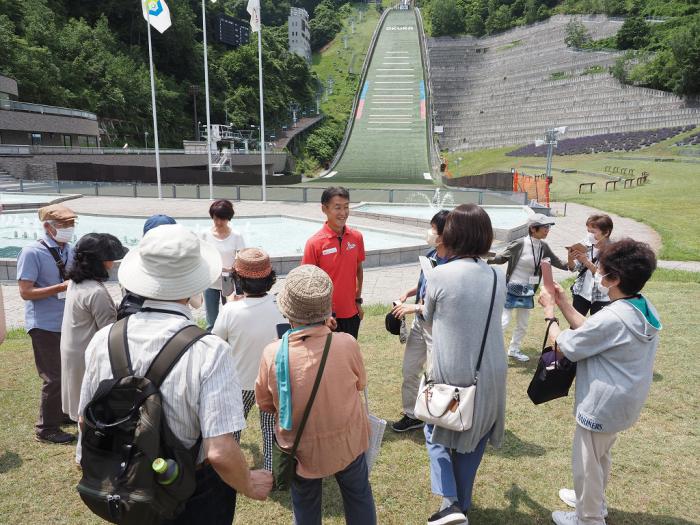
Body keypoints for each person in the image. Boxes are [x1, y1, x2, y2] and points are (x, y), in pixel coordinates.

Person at [78, 224, 272, 523]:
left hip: (126, 481)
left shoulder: (104, 339)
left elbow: (85, 419)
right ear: (192, 283)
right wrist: (248, 483)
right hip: (193, 490)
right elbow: (219, 451)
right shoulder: (209, 350)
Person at [539, 239, 661, 525]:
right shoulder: (638, 306)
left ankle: (589, 518)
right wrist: (564, 303)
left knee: (586, 464)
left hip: (602, 404)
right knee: (599, 457)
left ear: (614, 279)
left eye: (602, 271)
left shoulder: (614, 317)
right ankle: (593, 501)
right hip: (624, 399)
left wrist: (549, 313)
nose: (597, 274)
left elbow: (567, 345)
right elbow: (592, 329)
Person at [256, 265, 376, 525]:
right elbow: (360, 384)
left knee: (306, 505)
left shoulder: (273, 353)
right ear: (327, 308)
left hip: (300, 448)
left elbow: (265, 404)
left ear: (287, 310)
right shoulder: (347, 343)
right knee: (359, 496)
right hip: (348, 441)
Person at [419, 204, 507, 525]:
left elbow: (427, 316)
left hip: (452, 367)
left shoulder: (439, 274)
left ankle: (451, 502)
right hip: (491, 370)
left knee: (437, 430)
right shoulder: (498, 275)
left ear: (453, 234)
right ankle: (460, 507)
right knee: (473, 439)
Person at [212, 248, 284, 472]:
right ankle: (271, 470)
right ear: (270, 278)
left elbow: (215, 341)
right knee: (270, 427)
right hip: (272, 381)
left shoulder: (230, 310)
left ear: (238, 279)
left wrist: (231, 303)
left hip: (240, 382)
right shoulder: (281, 306)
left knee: (234, 426)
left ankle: (232, 469)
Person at [17, 203, 77, 444]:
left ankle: (61, 414)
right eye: (64, 225)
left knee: (66, 373)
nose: (69, 229)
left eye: (72, 225)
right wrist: (60, 288)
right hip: (43, 324)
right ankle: (46, 429)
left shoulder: (68, 250)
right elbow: (25, 292)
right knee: (53, 377)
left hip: (65, 321)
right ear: (48, 227)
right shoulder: (32, 252)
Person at [390, 210, 449, 433]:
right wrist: (408, 292)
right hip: (419, 322)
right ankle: (411, 414)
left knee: (436, 374)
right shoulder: (431, 253)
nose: (430, 232)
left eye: (433, 229)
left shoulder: (453, 264)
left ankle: (438, 417)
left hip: (437, 327)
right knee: (409, 370)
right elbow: (424, 282)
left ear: (445, 234)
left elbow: (443, 302)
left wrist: (414, 306)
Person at [60, 233, 128, 423]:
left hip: (74, 350)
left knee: (81, 405)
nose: (113, 263)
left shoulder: (76, 282)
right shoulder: (96, 292)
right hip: (87, 354)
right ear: (99, 262)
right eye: (110, 258)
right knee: (91, 409)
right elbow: (109, 332)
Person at [488, 213, 569, 362]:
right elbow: (501, 258)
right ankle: (491, 350)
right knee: (504, 321)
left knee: (523, 323)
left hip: (528, 290)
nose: (547, 230)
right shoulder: (520, 243)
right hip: (512, 287)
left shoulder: (543, 246)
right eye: (545, 227)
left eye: (548, 227)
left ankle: (514, 349)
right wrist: (484, 257)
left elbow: (558, 262)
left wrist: (575, 262)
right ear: (533, 229)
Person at [302, 187, 365, 339]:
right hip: (326, 319)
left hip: (352, 315)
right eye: (337, 207)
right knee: (327, 361)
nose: (343, 213)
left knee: (348, 359)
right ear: (324, 209)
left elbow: (358, 270)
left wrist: (357, 301)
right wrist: (321, 314)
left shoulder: (356, 237)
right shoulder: (314, 243)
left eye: (346, 207)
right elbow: (307, 283)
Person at [201, 199, 245, 331]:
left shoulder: (236, 236)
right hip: (210, 281)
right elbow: (201, 257)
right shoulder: (205, 234)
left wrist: (233, 268)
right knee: (211, 321)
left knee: (231, 317)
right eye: (215, 219)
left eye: (222, 219)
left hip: (229, 281)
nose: (219, 222)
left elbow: (242, 257)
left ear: (228, 218)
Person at [568, 214, 614, 316]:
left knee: (598, 329)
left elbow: (605, 276)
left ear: (606, 232)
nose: (590, 235)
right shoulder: (584, 244)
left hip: (601, 297)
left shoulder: (613, 251)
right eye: (588, 231)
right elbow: (574, 268)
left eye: (593, 232)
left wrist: (586, 262)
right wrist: (570, 257)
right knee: (575, 326)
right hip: (581, 293)